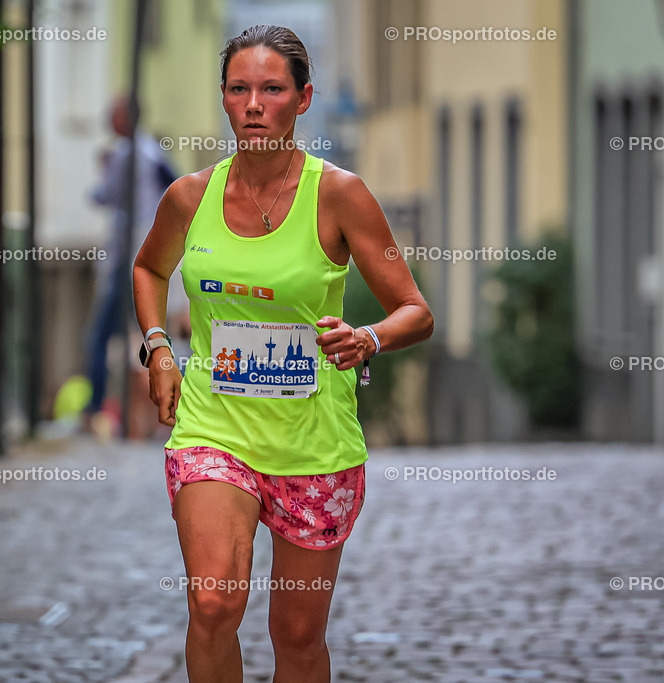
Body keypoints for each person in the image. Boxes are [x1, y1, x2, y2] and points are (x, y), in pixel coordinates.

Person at [132, 25, 433, 681]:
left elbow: (416, 309)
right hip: (215, 426)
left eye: (272, 89)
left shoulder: (340, 195)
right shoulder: (190, 197)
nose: (254, 104)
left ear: (303, 99)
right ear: (223, 99)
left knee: (295, 635)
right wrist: (157, 346)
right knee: (213, 602)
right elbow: (149, 269)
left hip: (312, 438)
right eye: (239, 89)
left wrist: (368, 336)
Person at [85, 95, 184, 433]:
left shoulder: (125, 154)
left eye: (113, 111)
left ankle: (95, 409)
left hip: (126, 260)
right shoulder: (152, 151)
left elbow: (102, 196)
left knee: (103, 337)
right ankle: (160, 411)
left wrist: (103, 170)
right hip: (154, 254)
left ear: (126, 117)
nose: (107, 116)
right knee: (149, 334)